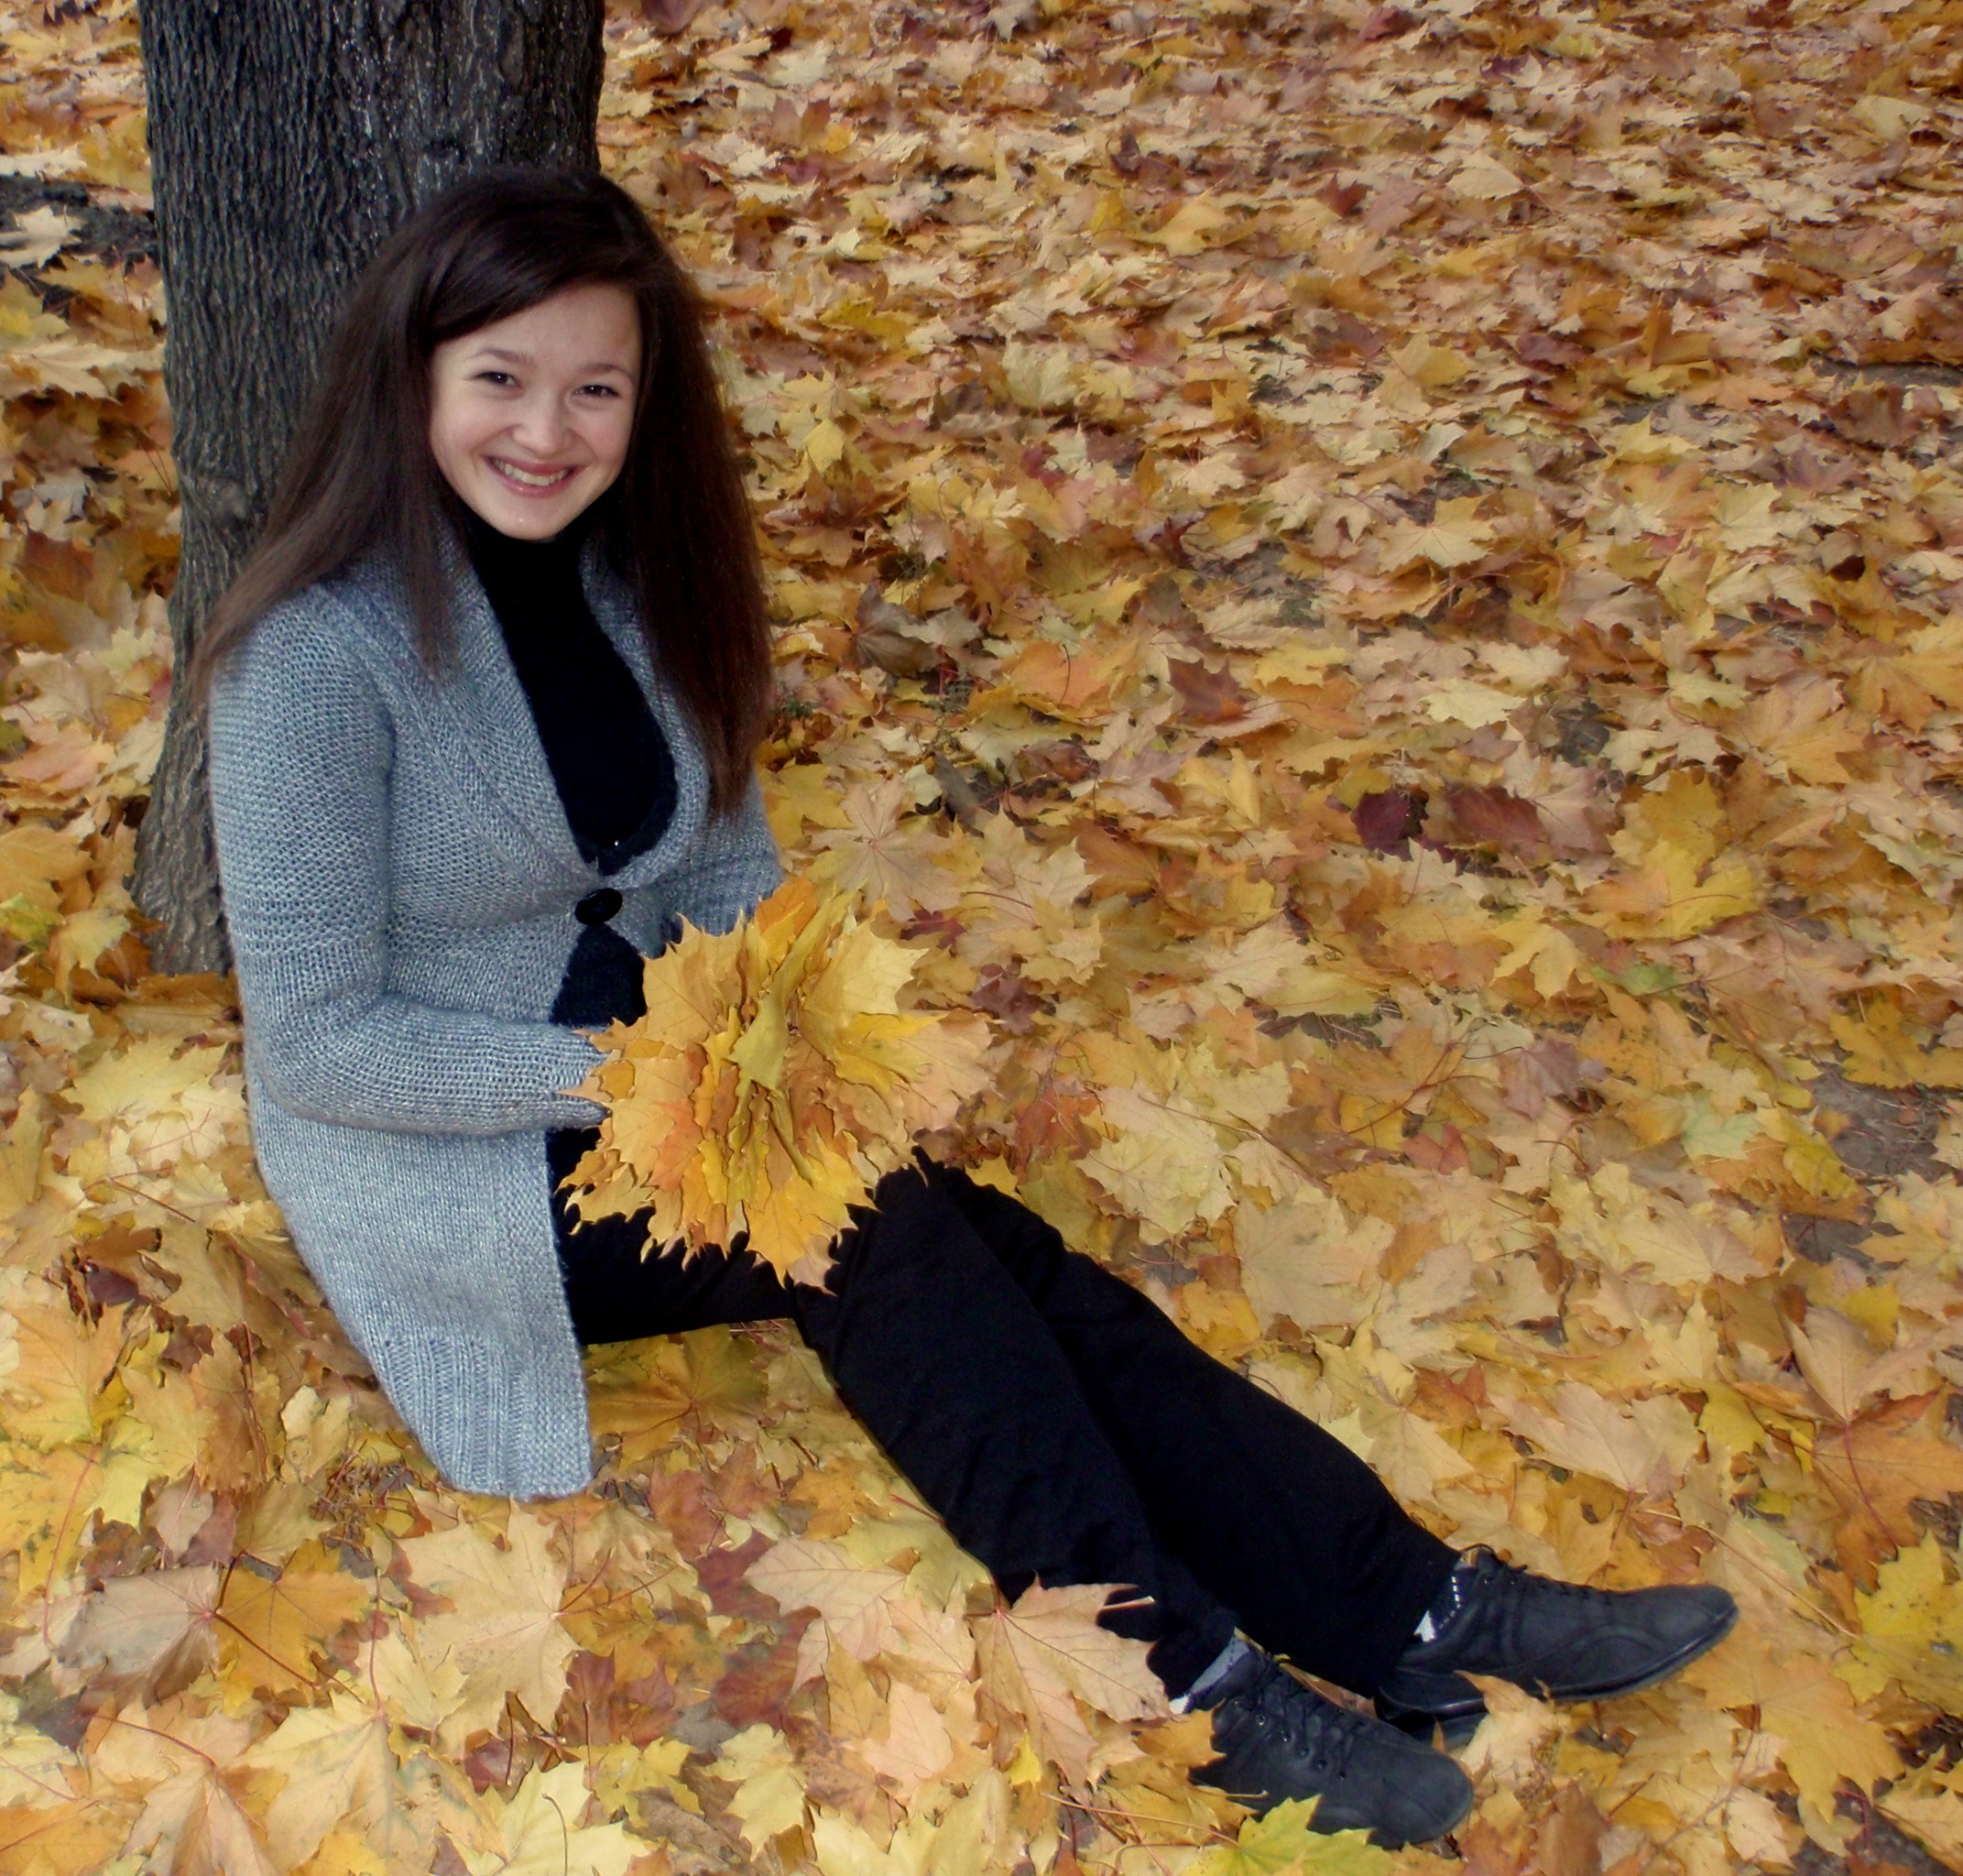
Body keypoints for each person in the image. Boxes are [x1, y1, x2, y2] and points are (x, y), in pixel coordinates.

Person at [199, 169, 1737, 1849]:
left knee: (985, 1255)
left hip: (679, 1090)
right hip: (459, 1170)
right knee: (869, 1229)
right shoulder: (312, 660)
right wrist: (645, 1079)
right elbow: (323, 1044)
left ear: (648, 402)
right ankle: (1194, 1681)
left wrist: (788, 1036)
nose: (546, 432)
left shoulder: (643, 584)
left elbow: (725, 861)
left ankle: (1413, 1606)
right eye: (500, 377)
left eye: (596, 388)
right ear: (413, 376)